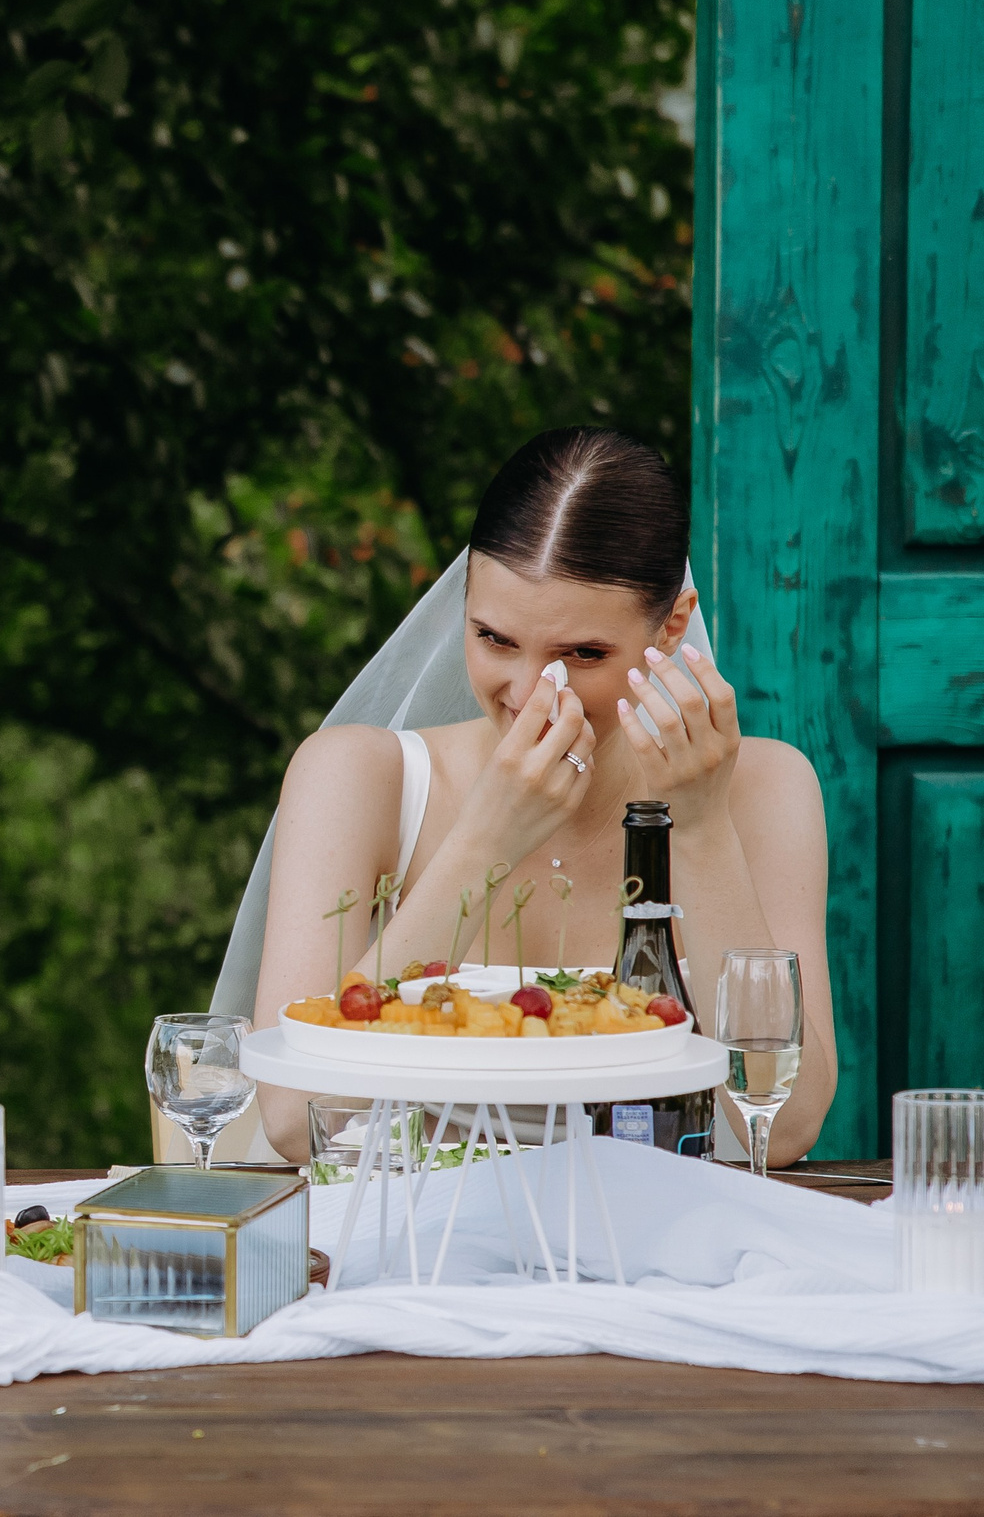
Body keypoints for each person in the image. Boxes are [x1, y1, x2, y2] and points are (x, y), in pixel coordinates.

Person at [243, 428, 833, 1164]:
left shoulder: (765, 788)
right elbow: (295, 1119)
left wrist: (703, 827)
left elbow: (783, 1126)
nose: (530, 694)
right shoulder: (358, 778)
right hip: (415, 1252)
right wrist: (483, 842)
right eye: (494, 638)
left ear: (672, 627)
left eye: (583, 654)